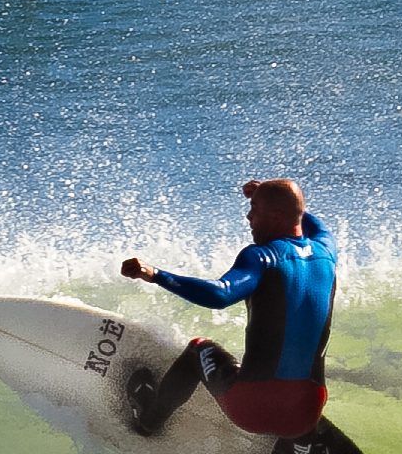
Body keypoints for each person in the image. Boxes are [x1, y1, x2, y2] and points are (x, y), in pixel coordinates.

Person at [119, 180, 335, 440]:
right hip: (306, 415)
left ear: (276, 216)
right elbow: (304, 218)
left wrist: (155, 275)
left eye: (255, 209)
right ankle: (297, 444)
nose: (249, 216)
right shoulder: (327, 250)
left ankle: (147, 423)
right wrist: (266, 196)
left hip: (252, 409)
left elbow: (220, 293)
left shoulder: (262, 257)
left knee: (197, 349)